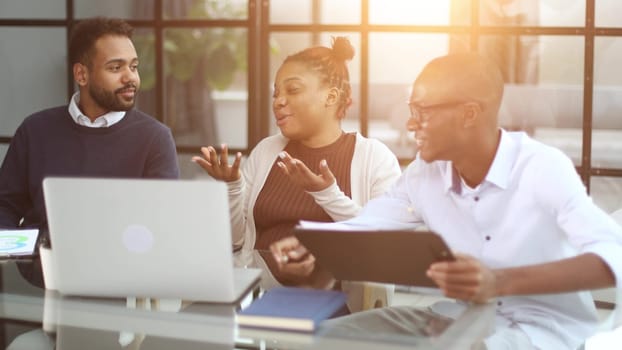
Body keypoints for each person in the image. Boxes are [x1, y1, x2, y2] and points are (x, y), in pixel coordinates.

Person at [271, 52, 622, 349]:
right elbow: (365, 225)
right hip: (457, 318)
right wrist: (311, 245)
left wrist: (499, 282)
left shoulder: (540, 166)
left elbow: (612, 255)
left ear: (469, 114)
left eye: (422, 110)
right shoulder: (424, 174)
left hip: (541, 329)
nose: (410, 123)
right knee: (316, 341)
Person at [193, 37, 401, 310]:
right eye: (276, 93)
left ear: (331, 96)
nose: (278, 101)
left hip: (338, 308)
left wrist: (326, 194)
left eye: (293, 90)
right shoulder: (267, 151)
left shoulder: (374, 158)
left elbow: (387, 245)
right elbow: (237, 243)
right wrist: (232, 187)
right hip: (258, 298)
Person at [0, 17, 180, 231]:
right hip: (45, 263)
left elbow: (163, 222)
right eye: (115, 68)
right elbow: (5, 208)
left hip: (122, 262)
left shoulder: (155, 138)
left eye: (133, 66)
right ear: (81, 74)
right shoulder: (34, 130)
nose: (130, 77)